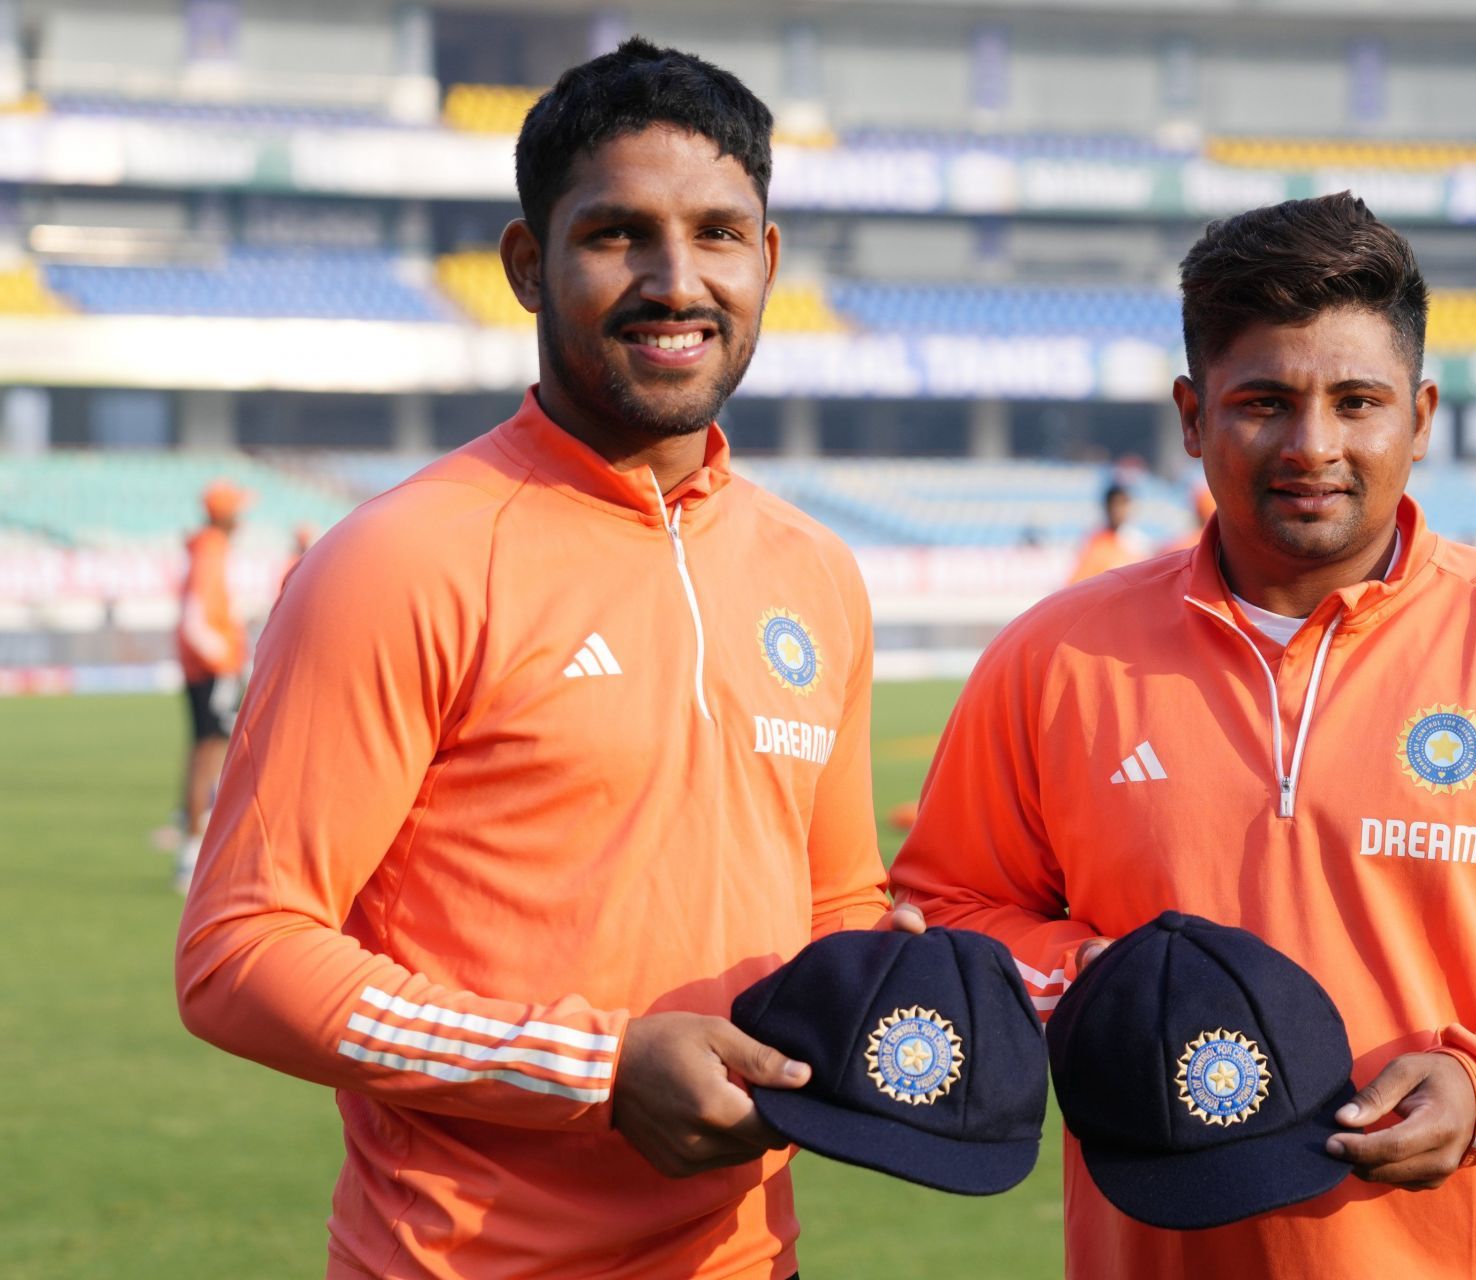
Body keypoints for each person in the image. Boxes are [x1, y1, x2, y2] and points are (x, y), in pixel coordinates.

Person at [889, 193, 1476, 1279]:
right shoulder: (1054, 656)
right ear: (1192, 416)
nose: (1314, 445)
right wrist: (1101, 981)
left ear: (1423, 414)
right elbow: (948, 913)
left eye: (1358, 401)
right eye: (1264, 400)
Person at [177, 38, 917, 1280]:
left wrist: (922, 1003)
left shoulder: (814, 572)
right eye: (619, 234)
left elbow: (838, 903)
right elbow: (242, 950)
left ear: (770, 261)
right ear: (528, 264)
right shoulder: (400, 558)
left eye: (721, 235)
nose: (677, 281)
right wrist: (598, 1069)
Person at [173, 478, 249, 893]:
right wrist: (224, 660)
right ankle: (192, 850)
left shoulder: (207, 547)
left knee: (209, 750)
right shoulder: (210, 549)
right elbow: (196, 617)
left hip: (207, 667)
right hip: (213, 668)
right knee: (210, 751)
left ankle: (195, 845)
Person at [1067, 481, 1149, 583]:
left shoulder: (1137, 542)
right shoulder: (1094, 541)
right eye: (1115, 504)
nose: (1118, 510)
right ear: (1106, 507)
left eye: (1123, 504)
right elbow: (1078, 580)